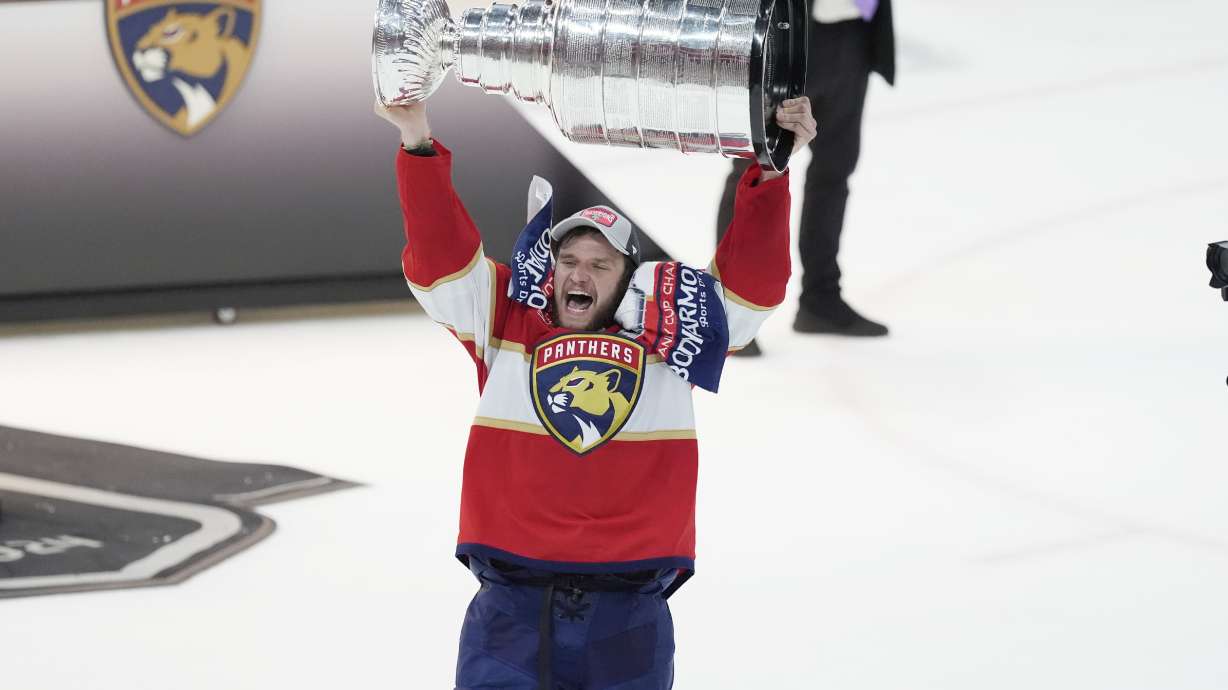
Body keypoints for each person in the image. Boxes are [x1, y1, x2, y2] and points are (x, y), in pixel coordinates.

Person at [375, 96, 815, 690]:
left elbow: (752, 288)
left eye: (600, 265)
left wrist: (771, 170)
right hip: (510, 606)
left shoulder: (668, 331)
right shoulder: (505, 316)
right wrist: (417, 141)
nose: (578, 275)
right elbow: (439, 261)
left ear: (628, 277)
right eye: (568, 260)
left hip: (626, 614)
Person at [716, 0, 895, 346]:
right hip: (788, 33)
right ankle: (725, 308)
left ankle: (820, 298)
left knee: (835, 170)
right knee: (753, 164)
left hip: (855, 32)